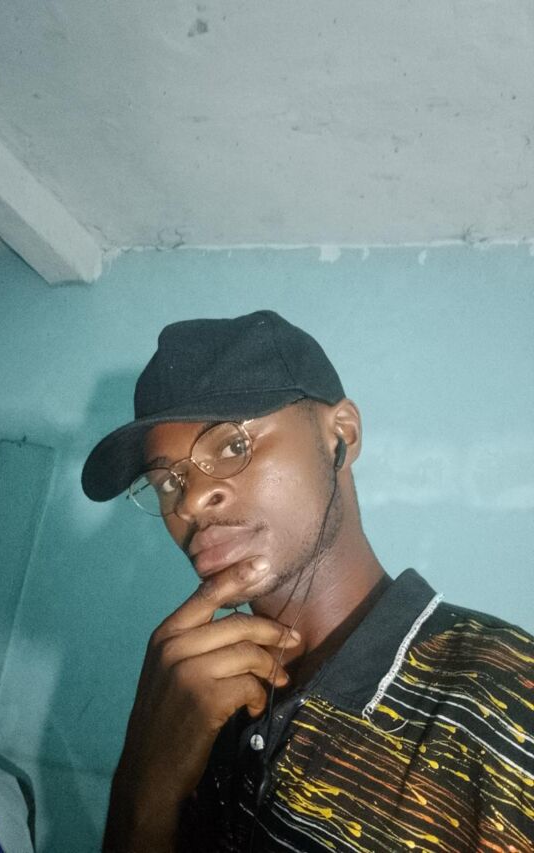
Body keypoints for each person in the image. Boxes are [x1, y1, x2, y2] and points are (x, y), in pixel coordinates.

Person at [82, 310, 534, 853]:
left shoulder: (507, 696)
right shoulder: (194, 699)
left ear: (341, 434)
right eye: (166, 481)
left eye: (232, 446)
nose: (191, 501)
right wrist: (144, 783)